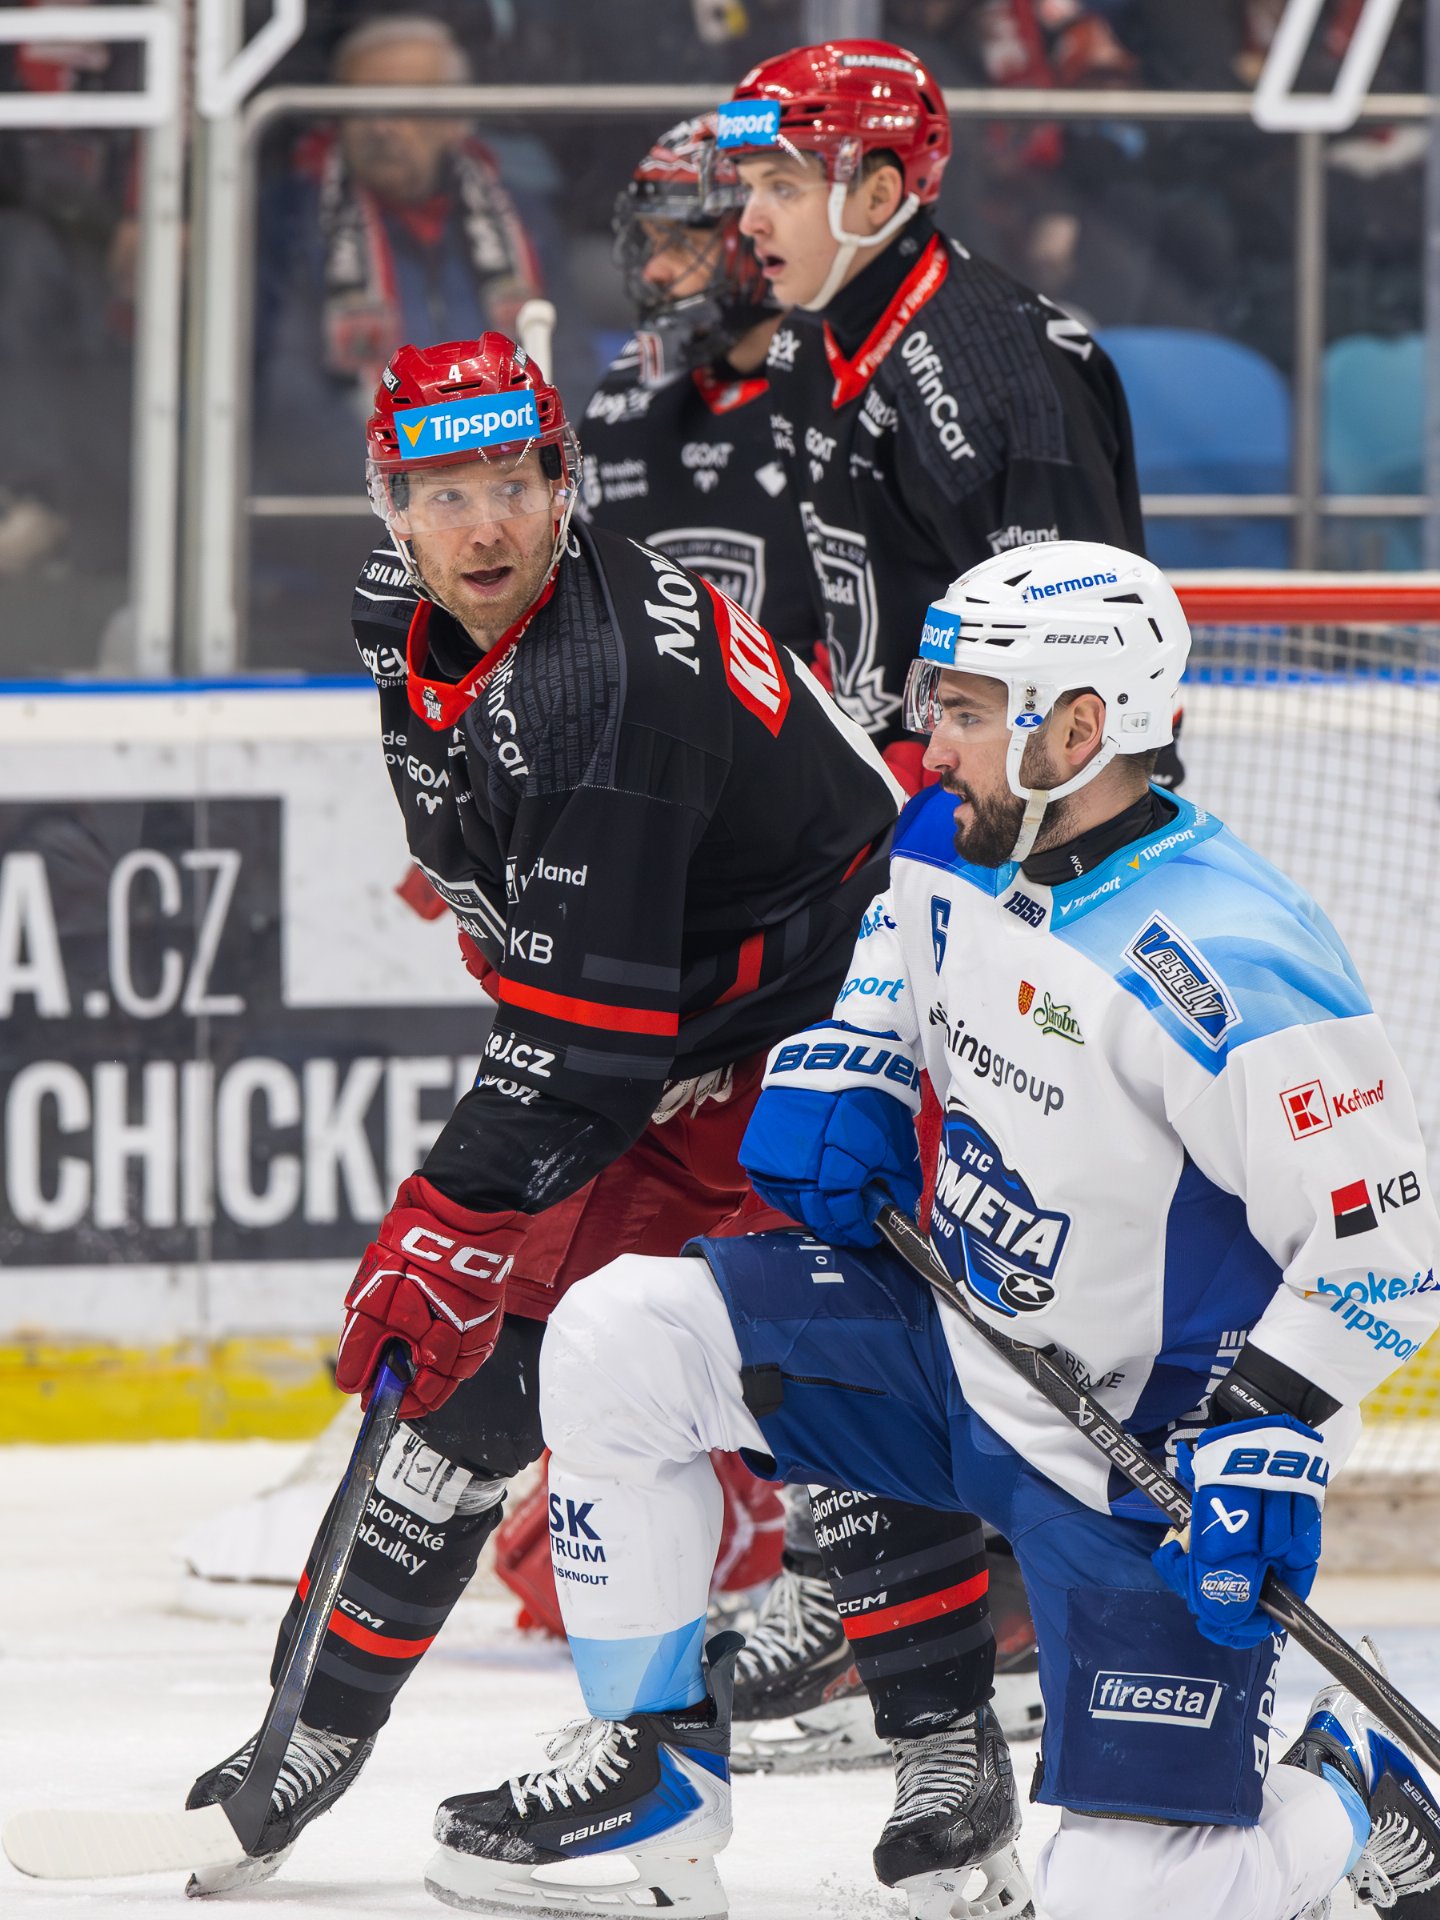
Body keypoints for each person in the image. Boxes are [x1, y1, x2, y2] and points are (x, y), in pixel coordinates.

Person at [423, 538, 1440, 1920]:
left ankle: (1354, 1784)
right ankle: (654, 1765)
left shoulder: (1234, 961)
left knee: (1129, 1902)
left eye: (965, 710)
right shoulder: (950, 836)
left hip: (1137, 1453)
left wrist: (1267, 1428)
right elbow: (896, 956)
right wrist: (853, 1062)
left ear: (1078, 729)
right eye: (935, 701)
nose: (930, 739)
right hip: (950, 1343)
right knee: (616, 1337)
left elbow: (1390, 1249)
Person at [180, 329, 904, 1893]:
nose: (486, 526)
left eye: (515, 483)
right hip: (679, 1026)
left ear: (565, 481)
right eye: (445, 494)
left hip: (830, 1034)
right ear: (388, 507)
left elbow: (585, 1044)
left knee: (825, 1401)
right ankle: (312, 1740)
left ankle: (946, 1748)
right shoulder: (406, 618)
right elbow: (510, 894)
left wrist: (442, 1215)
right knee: (479, 1386)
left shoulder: (600, 685)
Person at [714, 37, 1146, 789]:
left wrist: (936, 792)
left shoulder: (1003, 380)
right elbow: (827, 599)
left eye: (782, 187)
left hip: (1010, 802)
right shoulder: (802, 348)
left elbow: (1083, 663)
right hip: (877, 784)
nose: (750, 220)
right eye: (749, 187)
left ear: (879, 196)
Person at [577, 112, 817, 654]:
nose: (655, 271)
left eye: (682, 245)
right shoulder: (626, 389)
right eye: (651, 243)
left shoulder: (852, 397)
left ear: (764, 242)